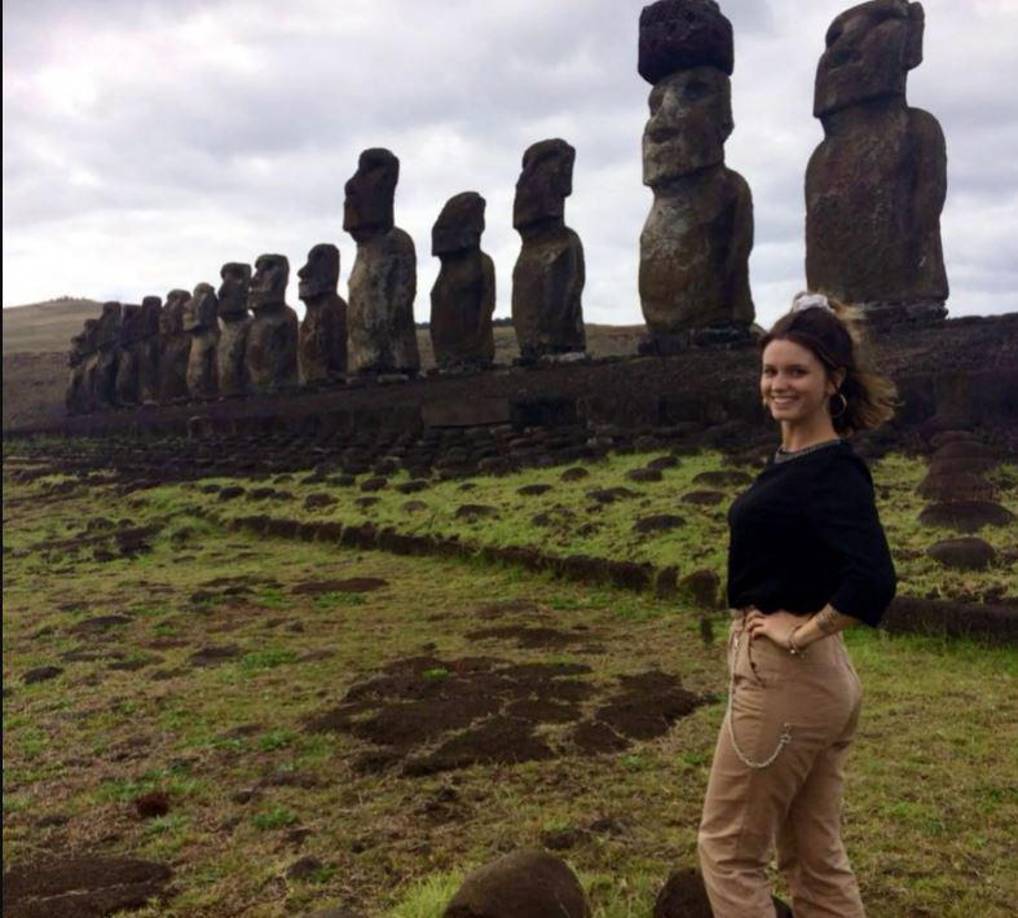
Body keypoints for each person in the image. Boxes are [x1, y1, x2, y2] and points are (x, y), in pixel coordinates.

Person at [697, 291, 898, 917]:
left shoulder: (833, 470)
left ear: (832, 381)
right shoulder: (797, 458)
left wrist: (800, 632)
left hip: (788, 681)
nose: (777, 384)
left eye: (795, 372)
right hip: (818, 688)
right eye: (770, 370)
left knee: (728, 850)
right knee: (814, 855)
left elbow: (873, 580)